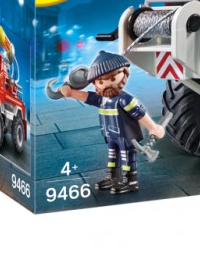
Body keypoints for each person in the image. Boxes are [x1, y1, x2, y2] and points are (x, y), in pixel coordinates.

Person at [59, 51, 165, 195]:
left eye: (112, 78)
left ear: (124, 74)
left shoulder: (125, 100)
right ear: (95, 83)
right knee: (112, 156)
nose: (106, 84)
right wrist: (71, 93)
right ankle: (113, 178)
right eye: (100, 81)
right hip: (110, 135)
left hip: (126, 136)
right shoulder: (101, 99)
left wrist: (153, 127)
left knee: (127, 157)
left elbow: (140, 113)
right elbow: (87, 96)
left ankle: (130, 182)